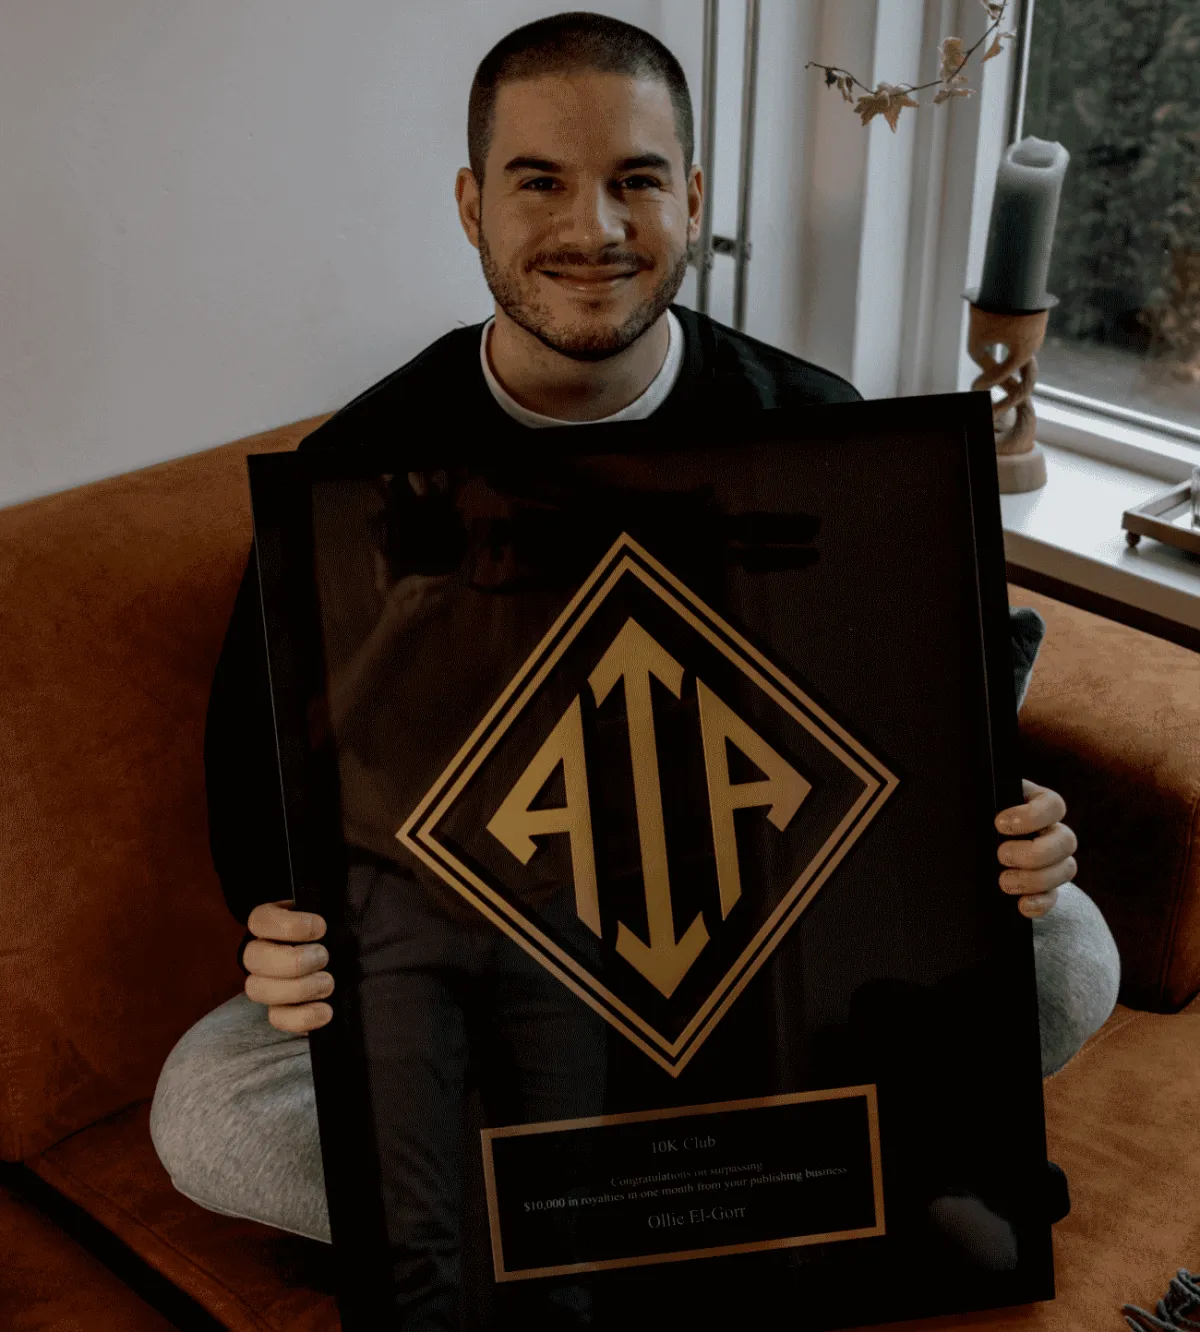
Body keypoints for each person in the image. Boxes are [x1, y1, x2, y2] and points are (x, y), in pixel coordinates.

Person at [149, 8, 1121, 1323]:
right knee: (206, 1107)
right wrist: (285, 945)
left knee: (1072, 952)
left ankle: (574, 1220)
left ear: (694, 200)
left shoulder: (820, 436)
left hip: (756, 956)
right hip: (484, 985)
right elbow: (277, 826)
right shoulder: (351, 484)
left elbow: (904, 765)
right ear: (471, 206)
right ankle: (774, 1203)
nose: (593, 228)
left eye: (637, 180)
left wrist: (1003, 838)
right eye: (539, 181)